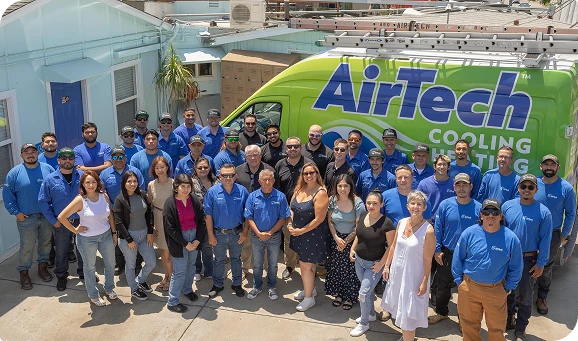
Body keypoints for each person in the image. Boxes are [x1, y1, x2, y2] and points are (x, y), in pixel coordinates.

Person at [452, 198, 523, 341]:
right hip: (469, 288)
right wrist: (460, 282)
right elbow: (457, 259)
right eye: (487, 212)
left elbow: (516, 267)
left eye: (495, 212)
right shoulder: (469, 233)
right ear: (481, 215)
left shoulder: (511, 238)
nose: (491, 215)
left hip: (496, 290)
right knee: (469, 327)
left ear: (501, 216)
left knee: (497, 329)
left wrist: (508, 288)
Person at [502, 174, 552, 340]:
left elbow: (546, 240)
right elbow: (499, 232)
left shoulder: (544, 212)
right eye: (523, 186)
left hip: (529, 259)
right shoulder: (507, 206)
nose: (527, 190)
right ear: (518, 188)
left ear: (536, 190)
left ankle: (521, 328)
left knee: (525, 295)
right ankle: (509, 318)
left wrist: (541, 263)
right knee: (506, 291)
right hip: (508, 258)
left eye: (531, 187)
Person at [57, 171, 117, 306]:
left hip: (106, 235)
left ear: (98, 183)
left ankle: (109, 288)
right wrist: (75, 230)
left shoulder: (104, 196)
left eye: (93, 182)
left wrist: (114, 233)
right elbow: (61, 217)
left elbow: (110, 215)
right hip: (87, 239)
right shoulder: (80, 200)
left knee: (110, 264)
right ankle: (93, 295)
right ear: (83, 185)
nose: (91, 185)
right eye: (87, 182)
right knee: (89, 267)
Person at [381, 191, 436, 341]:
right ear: (407, 205)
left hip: (414, 277)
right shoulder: (402, 222)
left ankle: (408, 338)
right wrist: (387, 266)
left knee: (409, 314)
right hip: (398, 274)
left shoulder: (428, 230)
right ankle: (407, 337)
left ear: (425, 208)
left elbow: (427, 259)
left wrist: (424, 281)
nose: (416, 207)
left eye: (419, 204)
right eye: (413, 203)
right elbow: (392, 246)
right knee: (400, 309)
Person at [429, 173, 481, 325]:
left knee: (466, 289)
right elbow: (438, 229)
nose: (462, 188)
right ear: (454, 187)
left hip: (469, 255)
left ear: (471, 187)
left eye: (465, 185)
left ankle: (463, 319)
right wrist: (437, 249)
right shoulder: (445, 205)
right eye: (458, 185)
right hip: (447, 253)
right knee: (443, 284)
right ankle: (441, 312)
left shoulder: (478, 208)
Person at [3, 143, 55, 290]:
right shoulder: (14, 173)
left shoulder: (47, 169)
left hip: (46, 216)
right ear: (21, 155)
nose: (30, 154)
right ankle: (24, 272)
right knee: (27, 247)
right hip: (26, 218)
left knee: (45, 244)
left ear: (37, 153)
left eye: (33, 151)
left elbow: (55, 189)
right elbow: (7, 196)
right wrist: (16, 212)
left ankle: (42, 268)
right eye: (27, 152)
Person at [348, 190, 395, 337]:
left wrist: (382, 264)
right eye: (368, 203)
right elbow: (358, 234)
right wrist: (352, 248)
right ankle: (371, 314)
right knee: (367, 293)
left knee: (363, 293)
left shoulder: (387, 223)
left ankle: (364, 323)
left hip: (374, 265)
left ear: (381, 204)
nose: (371, 206)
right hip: (359, 261)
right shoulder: (363, 215)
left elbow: (391, 246)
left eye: (375, 203)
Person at [535, 154, 577, 315]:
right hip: (533, 232)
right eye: (546, 165)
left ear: (558, 168)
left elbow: (571, 214)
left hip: (552, 234)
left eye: (552, 165)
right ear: (541, 167)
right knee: (529, 263)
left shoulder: (566, 188)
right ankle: (527, 293)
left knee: (546, 266)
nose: (549, 168)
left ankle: (542, 296)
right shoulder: (533, 184)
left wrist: (563, 236)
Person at [38, 148, 85, 291]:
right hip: (62, 223)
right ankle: (62, 276)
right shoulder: (50, 179)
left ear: (74, 160)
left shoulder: (83, 176)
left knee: (83, 249)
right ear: (58, 160)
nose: (67, 160)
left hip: (81, 221)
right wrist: (53, 220)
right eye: (63, 158)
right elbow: (42, 201)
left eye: (70, 158)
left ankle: (84, 273)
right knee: (61, 250)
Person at [288, 162, 329, 311]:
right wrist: (290, 224)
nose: (309, 176)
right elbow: (291, 209)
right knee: (305, 265)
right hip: (299, 234)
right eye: (306, 173)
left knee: (306, 267)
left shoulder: (321, 193)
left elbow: (319, 219)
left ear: (317, 174)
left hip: (312, 235)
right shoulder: (299, 189)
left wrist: (301, 231)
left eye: (312, 173)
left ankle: (308, 299)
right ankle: (310, 290)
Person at [244, 169, 291, 300]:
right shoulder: (252, 196)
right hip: (256, 236)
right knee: (257, 264)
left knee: (273, 264)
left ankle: (272, 287)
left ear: (274, 181)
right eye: (264, 179)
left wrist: (270, 232)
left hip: (274, 236)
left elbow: (283, 218)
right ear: (259, 181)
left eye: (270, 179)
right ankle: (256, 287)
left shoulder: (280, 196)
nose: (267, 182)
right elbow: (249, 218)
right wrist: (259, 233)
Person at [204, 164, 249, 298]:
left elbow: (248, 214)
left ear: (235, 176)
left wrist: (245, 232)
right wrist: (211, 235)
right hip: (218, 233)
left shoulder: (242, 191)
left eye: (231, 175)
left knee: (236, 259)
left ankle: (236, 284)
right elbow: (208, 215)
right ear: (219, 176)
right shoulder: (212, 192)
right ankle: (217, 284)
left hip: (237, 233)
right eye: (225, 175)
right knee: (219, 260)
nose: (228, 178)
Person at [163, 174, 206, 313]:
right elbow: (170, 228)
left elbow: (201, 220)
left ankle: (187, 289)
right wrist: (185, 243)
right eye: (183, 186)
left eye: (188, 186)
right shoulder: (170, 203)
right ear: (176, 187)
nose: (186, 189)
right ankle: (172, 301)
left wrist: (198, 239)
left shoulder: (194, 199)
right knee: (179, 271)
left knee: (191, 266)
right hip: (179, 240)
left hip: (194, 237)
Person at [101, 147, 145, 275]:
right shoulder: (104, 174)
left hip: (134, 211)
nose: (118, 160)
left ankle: (137, 264)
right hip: (114, 212)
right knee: (117, 237)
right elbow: (102, 193)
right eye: (115, 157)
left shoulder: (134, 171)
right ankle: (119, 263)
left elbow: (140, 190)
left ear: (126, 158)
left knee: (135, 237)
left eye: (121, 157)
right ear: (111, 159)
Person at [113, 171, 157, 301]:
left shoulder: (142, 195)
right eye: (129, 181)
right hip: (128, 238)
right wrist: (129, 239)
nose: (132, 184)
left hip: (144, 235)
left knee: (151, 262)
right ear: (124, 183)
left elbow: (149, 214)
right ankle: (134, 288)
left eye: (135, 181)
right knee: (131, 265)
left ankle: (140, 280)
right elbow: (118, 222)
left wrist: (150, 232)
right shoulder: (120, 199)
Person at [274, 137, 313, 280]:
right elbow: (276, 187)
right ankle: (290, 265)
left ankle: (307, 267)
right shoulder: (280, 164)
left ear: (300, 147)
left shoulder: (308, 164)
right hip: (285, 209)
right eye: (289, 146)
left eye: (295, 146)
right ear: (286, 148)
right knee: (289, 238)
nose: (292, 149)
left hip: (305, 207)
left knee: (306, 237)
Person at [325, 174, 365, 311]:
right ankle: (340, 294)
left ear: (350, 187)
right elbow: (330, 221)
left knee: (351, 270)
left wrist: (346, 241)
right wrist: (336, 238)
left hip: (353, 240)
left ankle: (350, 296)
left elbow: (359, 226)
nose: (343, 189)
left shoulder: (358, 202)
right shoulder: (332, 200)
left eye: (346, 186)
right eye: (340, 186)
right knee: (338, 269)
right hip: (336, 239)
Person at [236, 145, 276, 277]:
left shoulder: (269, 170)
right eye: (250, 155)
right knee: (246, 244)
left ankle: (266, 270)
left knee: (265, 245)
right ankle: (245, 269)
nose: (253, 158)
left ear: (260, 156)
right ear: (245, 157)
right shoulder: (238, 171)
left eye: (255, 155)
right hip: (245, 215)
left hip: (264, 214)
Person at [147, 156, 174, 291]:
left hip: (171, 219)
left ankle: (171, 278)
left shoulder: (174, 183)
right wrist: (151, 225)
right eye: (157, 168)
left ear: (167, 167)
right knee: (163, 252)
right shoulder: (151, 185)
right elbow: (149, 206)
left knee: (169, 253)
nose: (160, 170)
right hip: (158, 219)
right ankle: (167, 276)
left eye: (162, 167)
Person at [190, 156, 218, 281]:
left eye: (205, 167)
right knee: (195, 245)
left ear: (209, 168)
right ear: (195, 169)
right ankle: (196, 270)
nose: (203, 169)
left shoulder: (216, 181)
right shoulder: (190, 182)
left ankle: (209, 270)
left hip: (212, 220)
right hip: (194, 220)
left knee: (207, 246)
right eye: (200, 167)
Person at [417, 154, 455, 220]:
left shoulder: (454, 184)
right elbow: (417, 203)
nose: (442, 167)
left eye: (444, 164)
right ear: (434, 166)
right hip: (428, 221)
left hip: (448, 221)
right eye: (439, 164)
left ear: (449, 167)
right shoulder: (424, 184)